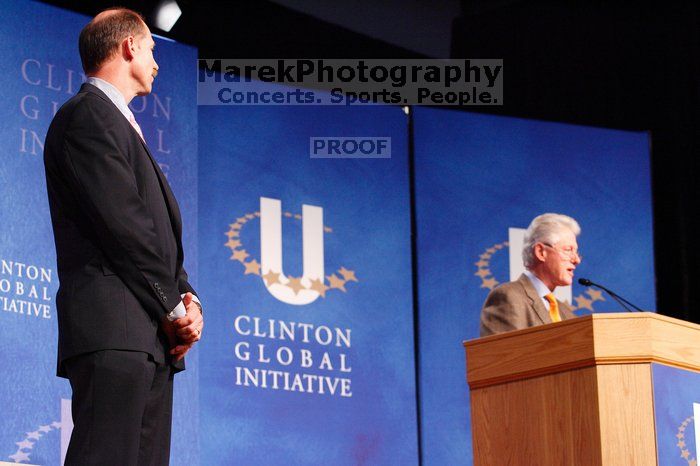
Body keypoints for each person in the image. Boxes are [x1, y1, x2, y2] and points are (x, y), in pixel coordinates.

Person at [43, 8, 203, 465]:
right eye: (152, 49)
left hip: (150, 338)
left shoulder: (121, 126)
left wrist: (189, 300)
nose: (156, 62)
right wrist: (174, 305)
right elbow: (125, 226)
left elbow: (153, 230)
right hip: (115, 332)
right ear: (129, 46)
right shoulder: (87, 117)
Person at [479, 213, 581, 337]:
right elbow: (505, 355)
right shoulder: (509, 297)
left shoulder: (566, 312)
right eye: (568, 250)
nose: (576, 260)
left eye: (576, 252)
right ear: (541, 252)